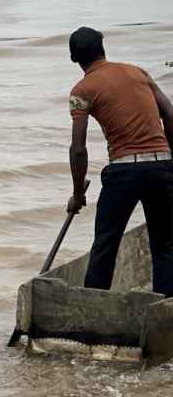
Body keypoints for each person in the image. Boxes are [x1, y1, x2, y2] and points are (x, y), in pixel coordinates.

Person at [66, 27, 173, 296]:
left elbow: (78, 149)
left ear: (74, 59)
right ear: (103, 48)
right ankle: (166, 308)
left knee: (105, 245)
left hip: (124, 170)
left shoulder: (82, 90)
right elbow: (170, 114)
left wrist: (78, 194)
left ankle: (93, 308)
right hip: (162, 165)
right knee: (165, 247)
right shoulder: (138, 73)